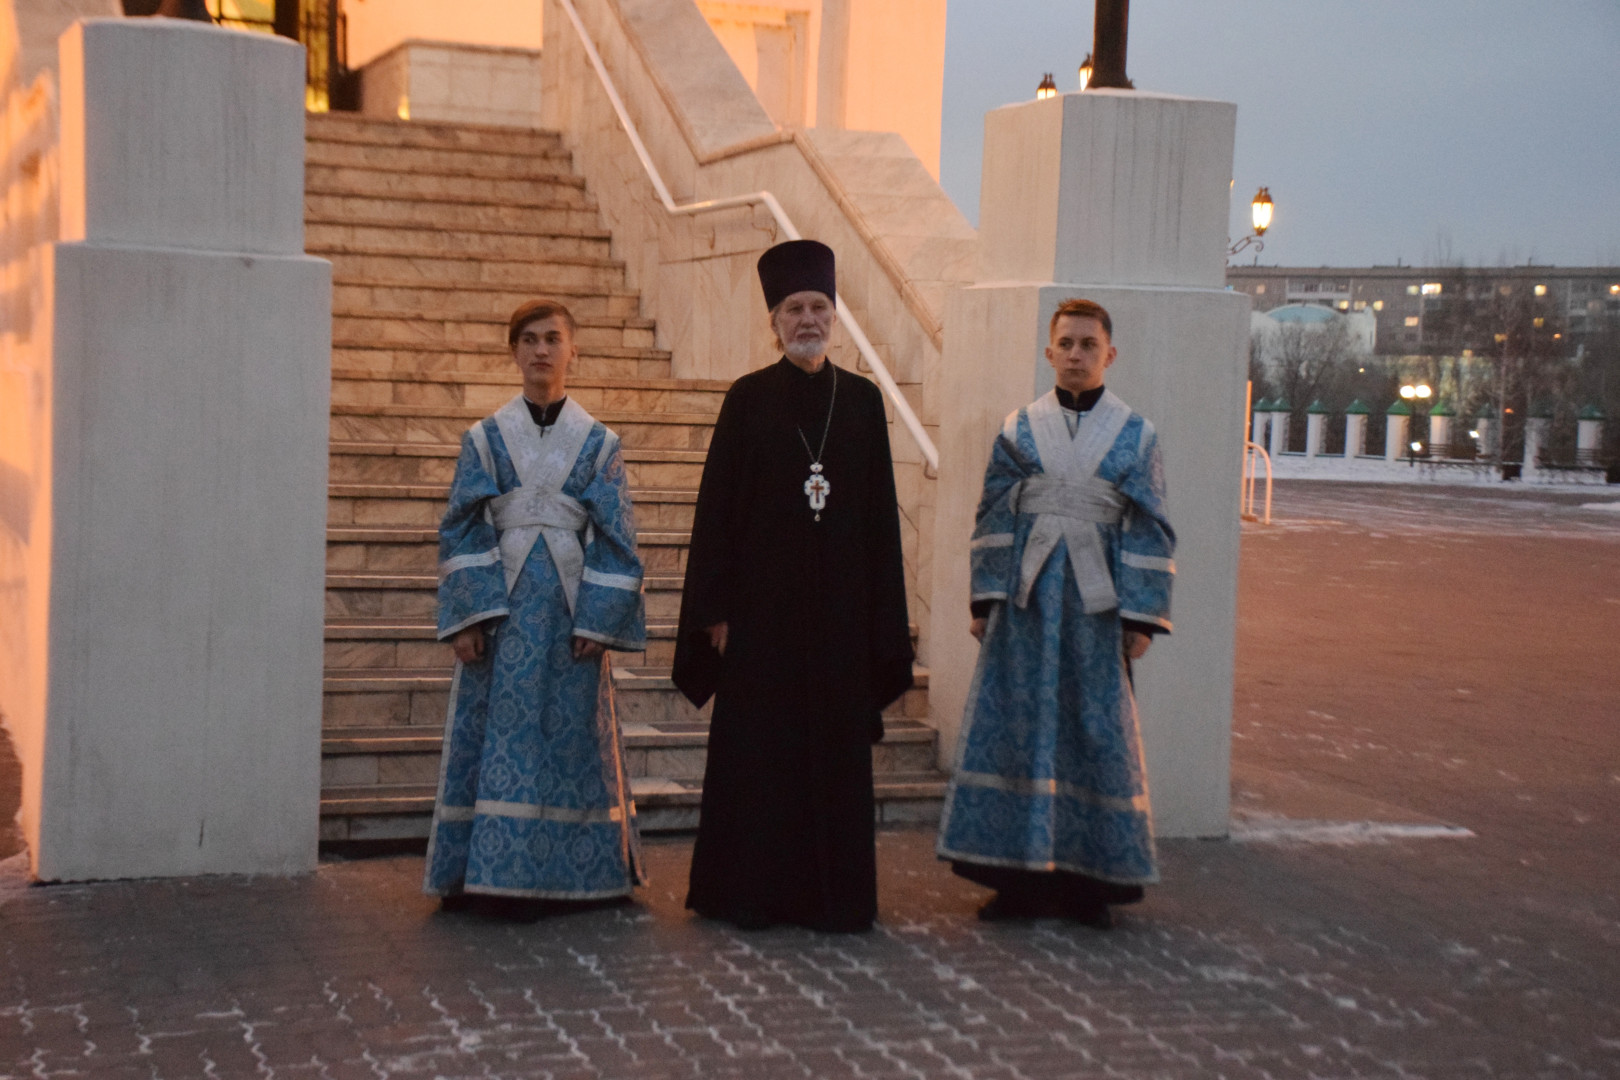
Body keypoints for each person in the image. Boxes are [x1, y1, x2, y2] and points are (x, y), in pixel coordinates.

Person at [673, 239, 914, 933]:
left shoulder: (864, 403)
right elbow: (717, 511)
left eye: (818, 307)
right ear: (772, 321)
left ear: (833, 315)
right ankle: (748, 894)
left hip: (839, 617)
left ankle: (833, 901)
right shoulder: (747, 399)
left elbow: (878, 524)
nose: (807, 319)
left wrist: (879, 625)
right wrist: (714, 610)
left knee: (833, 760)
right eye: (793, 309)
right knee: (761, 759)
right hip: (761, 617)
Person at [935, 298, 1175, 928]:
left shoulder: (1137, 435)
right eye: (1065, 344)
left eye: (1087, 345)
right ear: (1048, 352)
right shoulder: (1018, 429)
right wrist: (985, 597)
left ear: (1109, 354)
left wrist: (1142, 616)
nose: (1075, 355)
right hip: (1027, 608)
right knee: (1019, 729)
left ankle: (1088, 882)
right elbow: (993, 512)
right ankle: (1013, 879)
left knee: (1093, 735)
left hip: (1098, 615)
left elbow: (1150, 526)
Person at [424, 298, 648, 918]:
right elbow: (463, 526)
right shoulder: (485, 438)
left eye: (553, 338)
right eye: (528, 339)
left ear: (573, 350)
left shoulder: (600, 444)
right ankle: (483, 876)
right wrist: (469, 618)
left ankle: (577, 877)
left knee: (572, 740)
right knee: (497, 738)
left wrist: (600, 621)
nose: (541, 350)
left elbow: (616, 536)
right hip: (502, 616)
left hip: (572, 618)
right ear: (514, 351)